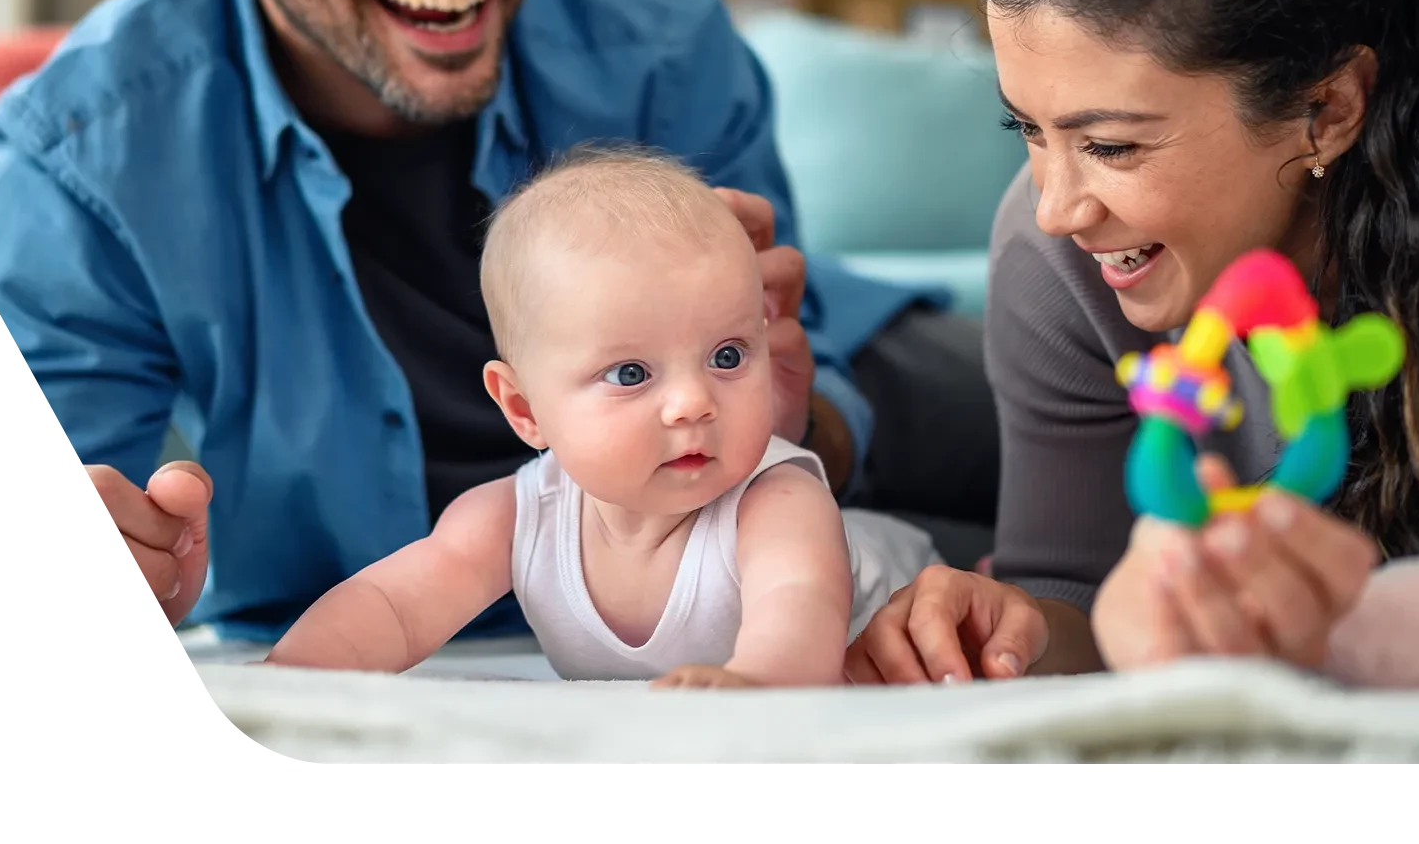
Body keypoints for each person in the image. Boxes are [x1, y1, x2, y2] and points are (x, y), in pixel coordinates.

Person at [0, 0, 998, 648]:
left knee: (1082, 418)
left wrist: (788, 411)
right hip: (532, 572)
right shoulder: (85, 157)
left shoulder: (657, 38)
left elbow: (792, 406)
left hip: (828, 409)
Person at [844, 0, 1419, 687]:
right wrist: (1015, 630)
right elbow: (1075, 598)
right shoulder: (1056, 267)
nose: (1056, 208)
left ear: (1325, 109)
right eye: (1027, 128)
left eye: (1112, 144)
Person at [263, 146, 941, 686]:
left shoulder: (776, 500)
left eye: (728, 355)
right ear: (525, 409)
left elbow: (799, 605)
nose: (693, 402)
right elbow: (391, 605)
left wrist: (760, 683)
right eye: (631, 374)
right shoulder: (513, 518)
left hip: (910, 583)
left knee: (992, 573)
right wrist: (290, 677)